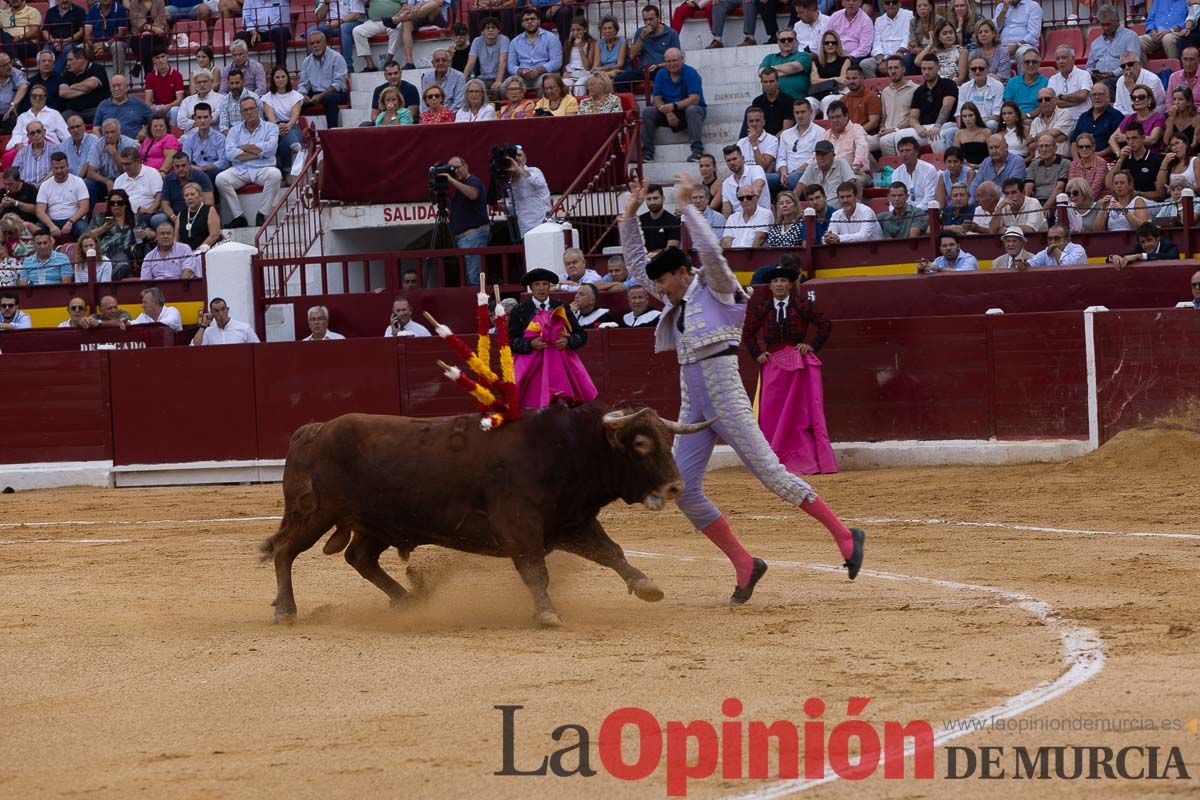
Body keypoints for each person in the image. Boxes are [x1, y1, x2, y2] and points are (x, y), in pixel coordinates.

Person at [620, 176, 865, 604]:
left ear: (683, 273)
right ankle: (744, 563)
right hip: (694, 406)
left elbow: (712, 253)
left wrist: (688, 209)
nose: (658, 290)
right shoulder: (676, 300)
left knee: (772, 475)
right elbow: (639, 266)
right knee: (682, 489)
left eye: (664, 282)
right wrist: (629, 214)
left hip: (727, 400)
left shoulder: (716, 288)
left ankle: (845, 535)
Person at [743, 263, 835, 475]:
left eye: (783, 281)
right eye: (775, 281)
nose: (779, 284)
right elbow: (747, 333)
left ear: (790, 284)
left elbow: (825, 325)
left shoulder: (801, 305)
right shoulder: (763, 308)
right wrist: (757, 354)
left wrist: (812, 346)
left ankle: (803, 456)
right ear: (770, 286)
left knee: (800, 412)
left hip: (797, 365)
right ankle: (771, 457)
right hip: (773, 364)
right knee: (770, 411)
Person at [508, 267, 593, 408]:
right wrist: (530, 344)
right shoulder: (520, 310)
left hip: (560, 365)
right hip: (532, 367)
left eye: (545, 284)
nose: (541, 288)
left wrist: (567, 341)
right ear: (531, 288)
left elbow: (581, 335)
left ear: (549, 286)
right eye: (537, 284)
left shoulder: (561, 307)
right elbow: (510, 341)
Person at [218, 97, 281, 228]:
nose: (249, 112)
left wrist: (243, 147)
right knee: (221, 179)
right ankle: (239, 216)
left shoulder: (271, 127)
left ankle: (262, 214)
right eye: (245, 110)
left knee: (275, 175)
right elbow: (230, 154)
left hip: (263, 168)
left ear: (257, 109)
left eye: (251, 108)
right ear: (241, 113)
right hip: (241, 170)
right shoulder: (234, 130)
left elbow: (271, 149)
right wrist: (260, 152)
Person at [879, 55, 957, 155]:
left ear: (938, 68)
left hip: (946, 125)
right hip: (925, 127)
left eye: (930, 68)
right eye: (924, 69)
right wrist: (918, 127)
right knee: (900, 136)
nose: (926, 72)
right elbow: (913, 116)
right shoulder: (919, 91)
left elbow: (946, 107)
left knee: (936, 136)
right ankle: (906, 164)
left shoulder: (948, 84)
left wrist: (937, 126)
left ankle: (941, 164)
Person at [641, 48, 706, 164]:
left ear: (682, 59)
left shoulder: (691, 73)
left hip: (688, 111)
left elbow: (694, 99)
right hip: (669, 111)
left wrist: (674, 106)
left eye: (675, 60)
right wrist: (668, 112)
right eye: (668, 61)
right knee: (648, 112)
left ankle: (697, 150)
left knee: (692, 110)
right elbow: (656, 99)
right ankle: (647, 152)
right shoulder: (661, 74)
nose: (672, 64)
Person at [939, 57, 1003, 152]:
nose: (977, 71)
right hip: (967, 123)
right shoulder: (964, 87)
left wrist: (976, 124)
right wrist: (966, 127)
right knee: (948, 132)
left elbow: (997, 115)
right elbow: (959, 114)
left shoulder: (997, 86)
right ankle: (953, 158)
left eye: (981, 68)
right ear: (970, 71)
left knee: (992, 124)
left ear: (988, 69)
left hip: (985, 123)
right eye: (973, 69)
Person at [446, 155, 488, 286]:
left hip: (473, 234)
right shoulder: (459, 188)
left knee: (474, 275)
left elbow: (473, 194)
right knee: (469, 274)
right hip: (463, 237)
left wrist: (451, 180)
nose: (455, 172)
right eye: (452, 170)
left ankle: (479, 297)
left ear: (466, 166)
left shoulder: (473, 181)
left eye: (457, 168)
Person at [299, 30, 349, 130]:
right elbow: (303, 83)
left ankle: (332, 131)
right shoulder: (307, 61)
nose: (315, 45)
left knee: (330, 99)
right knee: (296, 101)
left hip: (334, 93)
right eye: (312, 43)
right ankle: (298, 132)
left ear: (325, 42)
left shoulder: (336, 57)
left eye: (318, 42)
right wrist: (303, 95)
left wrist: (321, 95)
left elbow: (339, 83)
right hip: (314, 93)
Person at [263, 65, 306, 175]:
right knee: (286, 136)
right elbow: (271, 118)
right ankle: (297, 147)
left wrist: (288, 126)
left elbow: (295, 115)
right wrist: (278, 127)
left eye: (283, 76)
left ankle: (286, 171)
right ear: (273, 79)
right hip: (274, 127)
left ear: (287, 78)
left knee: (284, 144)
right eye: (277, 77)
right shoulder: (267, 97)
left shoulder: (296, 95)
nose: (280, 79)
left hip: (292, 125)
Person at [1087, 5, 1139, 95]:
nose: (1105, 28)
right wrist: (1091, 73)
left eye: (1108, 24)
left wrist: (1113, 73)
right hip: (1097, 79)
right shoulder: (1095, 43)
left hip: (1121, 78)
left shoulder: (1130, 36)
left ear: (1117, 21)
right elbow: (1089, 65)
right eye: (1103, 25)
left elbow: (1132, 63)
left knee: (1100, 87)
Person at [36, 152, 89, 238]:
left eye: (62, 167)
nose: (59, 171)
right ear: (51, 168)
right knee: (37, 228)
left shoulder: (78, 181)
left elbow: (84, 207)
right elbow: (39, 211)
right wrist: (51, 226)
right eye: (56, 168)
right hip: (51, 221)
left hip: (73, 220)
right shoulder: (45, 185)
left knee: (83, 228)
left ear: (67, 166)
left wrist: (70, 222)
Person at [89, 188, 140, 278]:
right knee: (124, 266)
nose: (116, 205)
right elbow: (85, 237)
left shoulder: (135, 219)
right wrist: (102, 229)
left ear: (125, 204)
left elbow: (150, 235)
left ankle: (102, 281)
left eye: (119, 203)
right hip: (106, 255)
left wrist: (147, 234)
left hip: (129, 255)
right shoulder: (101, 218)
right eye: (112, 203)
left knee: (124, 263)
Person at [778, 98, 826, 191]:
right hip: (785, 173)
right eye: (797, 112)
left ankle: (788, 199)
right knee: (766, 179)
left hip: (806, 172)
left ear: (810, 112)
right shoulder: (785, 134)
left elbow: (815, 158)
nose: (800, 116)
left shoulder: (820, 132)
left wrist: (796, 171)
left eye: (803, 112)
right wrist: (783, 172)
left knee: (792, 179)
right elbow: (781, 158)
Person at [507, 7, 563, 85]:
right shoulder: (514, 42)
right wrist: (522, 71)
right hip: (523, 76)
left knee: (545, 83)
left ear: (539, 21)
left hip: (544, 74)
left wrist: (539, 70)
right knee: (506, 86)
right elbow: (511, 66)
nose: (529, 21)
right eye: (526, 20)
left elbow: (557, 61)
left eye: (532, 19)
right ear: (522, 24)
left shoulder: (551, 38)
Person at [505, 144, 550, 238]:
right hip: (525, 229)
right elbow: (517, 208)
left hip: (541, 226)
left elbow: (539, 183)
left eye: (519, 155)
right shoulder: (511, 181)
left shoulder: (534, 171)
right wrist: (501, 207)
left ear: (525, 159)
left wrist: (519, 170)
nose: (516, 158)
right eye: (514, 156)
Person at [59, 45, 111, 126]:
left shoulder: (97, 68)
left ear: (81, 59)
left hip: (95, 110)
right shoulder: (67, 73)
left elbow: (91, 84)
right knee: (62, 118)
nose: (68, 63)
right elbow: (63, 93)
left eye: (70, 60)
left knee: (105, 116)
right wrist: (86, 90)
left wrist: (72, 87)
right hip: (74, 111)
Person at [1107, 122, 1164, 197]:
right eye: (1128, 139)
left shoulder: (1155, 160)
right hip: (1125, 200)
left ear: (1143, 138)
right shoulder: (1124, 158)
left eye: (1134, 138)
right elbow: (1108, 184)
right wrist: (1120, 159)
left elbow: (1161, 194)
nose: (1131, 142)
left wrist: (1138, 194)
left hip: (1147, 201)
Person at [794, 139, 855, 208]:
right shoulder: (811, 167)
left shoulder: (841, 164)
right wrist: (793, 205)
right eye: (818, 154)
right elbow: (800, 187)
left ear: (833, 155)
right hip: (817, 209)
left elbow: (852, 184)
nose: (820, 157)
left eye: (824, 154)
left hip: (837, 210)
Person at [113, 147, 162, 229]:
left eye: (127, 164)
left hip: (145, 215)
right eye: (122, 164)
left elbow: (159, 197)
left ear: (138, 161)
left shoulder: (152, 173)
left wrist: (150, 210)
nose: (124, 168)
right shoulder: (119, 180)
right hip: (125, 215)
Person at [875, 55, 916, 153]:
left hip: (903, 131)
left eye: (896, 68)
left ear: (903, 69)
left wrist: (895, 129)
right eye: (890, 68)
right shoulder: (885, 91)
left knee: (885, 141)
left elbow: (915, 117)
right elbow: (884, 117)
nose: (893, 71)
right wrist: (882, 128)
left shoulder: (915, 89)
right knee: (863, 142)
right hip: (886, 132)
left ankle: (893, 163)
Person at [823, 100, 870, 184]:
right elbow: (816, 157)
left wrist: (854, 168)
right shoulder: (826, 135)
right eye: (832, 118)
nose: (835, 120)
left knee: (850, 182)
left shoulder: (857, 129)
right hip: (830, 175)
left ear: (846, 116)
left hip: (855, 173)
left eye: (838, 116)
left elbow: (862, 147)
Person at [180, 103, 228, 186]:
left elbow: (223, 162)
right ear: (194, 119)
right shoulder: (189, 140)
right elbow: (185, 161)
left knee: (211, 174)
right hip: (194, 171)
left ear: (211, 118)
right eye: (199, 117)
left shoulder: (220, 138)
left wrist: (203, 168)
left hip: (213, 172)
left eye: (205, 117)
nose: (202, 121)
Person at [969, 132, 1025, 202]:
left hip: (1008, 201)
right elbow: (975, 186)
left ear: (1006, 147)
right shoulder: (986, 162)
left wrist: (992, 200)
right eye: (991, 148)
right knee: (970, 202)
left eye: (997, 147)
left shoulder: (1017, 161)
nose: (994, 151)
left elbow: (1012, 189)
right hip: (985, 201)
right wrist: (981, 199)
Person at [1113, 87, 1167, 155]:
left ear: (1149, 100)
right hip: (1130, 156)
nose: (1137, 100)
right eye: (1134, 98)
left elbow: (1152, 140)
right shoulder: (1130, 118)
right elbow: (1112, 139)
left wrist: (1126, 138)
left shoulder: (1158, 117)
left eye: (1141, 97)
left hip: (1151, 156)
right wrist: (1118, 153)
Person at [864, 0, 912, 77]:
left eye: (894, 2)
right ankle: (877, 84)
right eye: (887, 2)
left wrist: (900, 51)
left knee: (906, 60)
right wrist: (881, 60)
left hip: (902, 53)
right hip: (884, 56)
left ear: (900, 3)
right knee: (865, 64)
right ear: (883, 5)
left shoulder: (909, 15)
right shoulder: (879, 20)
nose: (891, 5)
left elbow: (908, 36)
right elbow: (876, 43)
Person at [1048, 45, 1093, 126]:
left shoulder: (1084, 74)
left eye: (1064, 58)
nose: (1060, 61)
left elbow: (1083, 96)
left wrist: (1061, 97)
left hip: (1082, 120)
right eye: (1058, 59)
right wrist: (1077, 101)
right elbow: (1053, 103)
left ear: (1072, 59)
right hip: (1061, 122)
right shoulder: (1053, 79)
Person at [11, 87, 68, 151]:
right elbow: (16, 134)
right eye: (34, 96)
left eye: (41, 96)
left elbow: (66, 135)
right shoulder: (22, 117)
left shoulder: (54, 114)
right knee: (7, 156)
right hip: (25, 148)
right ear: (30, 97)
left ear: (45, 98)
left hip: (50, 148)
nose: (37, 99)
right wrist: (18, 144)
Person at [236, 0, 290, 68]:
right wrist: (253, 31)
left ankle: (280, 67)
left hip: (276, 31)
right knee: (239, 36)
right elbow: (246, 18)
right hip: (257, 32)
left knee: (282, 32)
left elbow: (285, 23)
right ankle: (243, 68)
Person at [465, 17, 510, 96]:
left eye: (493, 27)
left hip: (502, 78)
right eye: (487, 28)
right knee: (468, 87)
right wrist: (462, 79)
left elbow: (503, 60)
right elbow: (471, 62)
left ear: (498, 30)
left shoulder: (504, 39)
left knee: (501, 88)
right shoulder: (477, 41)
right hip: (483, 78)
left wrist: (498, 81)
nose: (490, 30)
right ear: (482, 31)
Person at [760, 33, 810, 104]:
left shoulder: (804, 55)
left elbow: (794, 67)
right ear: (778, 42)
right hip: (773, 102)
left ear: (796, 41)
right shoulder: (770, 57)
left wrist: (771, 69)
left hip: (798, 102)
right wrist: (788, 71)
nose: (786, 42)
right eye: (783, 40)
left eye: (790, 39)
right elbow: (761, 72)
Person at [1026, 133, 1070, 215]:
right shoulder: (1034, 164)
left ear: (1055, 148)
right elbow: (1028, 188)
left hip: (1055, 202)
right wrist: (1024, 207)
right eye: (1041, 146)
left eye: (1047, 146)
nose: (1044, 149)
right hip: (1036, 202)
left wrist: (1046, 206)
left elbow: (1059, 188)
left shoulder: (1064, 163)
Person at [738, 107, 780, 191]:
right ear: (747, 123)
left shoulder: (772, 140)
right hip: (744, 177)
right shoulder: (741, 143)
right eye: (751, 121)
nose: (754, 124)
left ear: (763, 122)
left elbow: (762, 166)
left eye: (757, 121)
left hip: (763, 177)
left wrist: (754, 144)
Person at [42, 0, 87, 76]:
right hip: (53, 42)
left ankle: (54, 75)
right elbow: (45, 31)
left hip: (71, 41)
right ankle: (43, 75)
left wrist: (65, 41)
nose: (64, 1)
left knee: (67, 50)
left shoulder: (79, 11)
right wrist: (53, 41)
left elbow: (82, 31)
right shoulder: (50, 12)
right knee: (46, 51)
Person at [720, 144, 768, 214]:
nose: (732, 162)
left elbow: (757, 190)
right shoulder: (726, 184)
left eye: (734, 159)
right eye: (728, 160)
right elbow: (726, 210)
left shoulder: (756, 170)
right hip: (738, 219)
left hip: (760, 215)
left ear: (743, 158)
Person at [891, 135, 938, 208]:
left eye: (907, 150)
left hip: (923, 211)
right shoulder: (896, 173)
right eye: (901, 151)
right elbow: (893, 197)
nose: (904, 154)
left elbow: (929, 198)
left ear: (916, 152)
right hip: (902, 211)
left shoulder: (929, 169)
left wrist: (913, 212)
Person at [1028, 87, 1074, 160]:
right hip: (1039, 160)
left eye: (1047, 99)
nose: (1043, 102)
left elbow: (1054, 133)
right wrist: (1055, 138)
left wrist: (1035, 137)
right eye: (1040, 100)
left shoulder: (1064, 114)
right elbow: (1031, 146)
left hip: (1060, 159)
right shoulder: (1035, 121)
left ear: (1055, 100)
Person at [1115, 51, 1167, 116]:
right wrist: (1127, 116)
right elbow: (1118, 106)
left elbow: (1149, 105)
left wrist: (1132, 89)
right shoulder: (1120, 81)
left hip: (1151, 116)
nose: (1127, 68)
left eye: (1130, 64)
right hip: (1127, 117)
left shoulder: (1153, 80)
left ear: (1139, 64)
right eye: (1123, 66)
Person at [1108, 221, 1180, 268]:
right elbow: (1127, 255)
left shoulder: (1169, 245)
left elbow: (1171, 256)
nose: (1146, 245)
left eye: (1149, 240)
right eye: (1143, 242)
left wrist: (1140, 256)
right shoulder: (1139, 248)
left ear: (1158, 238)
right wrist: (1114, 257)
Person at [192, 297, 260, 345]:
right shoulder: (208, 332)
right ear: (212, 313)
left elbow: (257, 349)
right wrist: (203, 325)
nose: (221, 314)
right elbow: (195, 346)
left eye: (223, 309)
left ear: (227, 310)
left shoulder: (245, 328)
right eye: (216, 311)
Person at [175, 181, 220, 251]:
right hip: (186, 253)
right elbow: (176, 239)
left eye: (192, 194)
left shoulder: (209, 210)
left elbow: (214, 235)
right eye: (186, 195)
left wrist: (197, 251)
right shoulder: (181, 214)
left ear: (200, 196)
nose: (189, 198)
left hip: (206, 251)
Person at [919, 18, 967, 84]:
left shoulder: (961, 51)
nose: (949, 36)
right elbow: (918, 61)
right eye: (945, 34)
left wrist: (945, 87)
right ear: (938, 37)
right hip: (934, 86)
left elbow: (961, 78)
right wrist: (930, 45)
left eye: (951, 32)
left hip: (953, 86)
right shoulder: (934, 52)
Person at [216, 68, 262, 136]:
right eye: (232, 83)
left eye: (237, 83)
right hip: (232, 136)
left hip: (253, 134)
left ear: (243, 82)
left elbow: (260, 122)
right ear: (228, 83)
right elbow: (223, 127)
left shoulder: (254, 97)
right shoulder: (224, 101)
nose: (234, 86)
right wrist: (233, 137)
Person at [1017, 224, 1088, 268]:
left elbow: (1067, 266)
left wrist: (1054, 249)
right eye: (1050, 239)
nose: (1052, 242)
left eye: (1057, 238)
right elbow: (1032, 263)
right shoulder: (1046, 251)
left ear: (1067, 239)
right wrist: (1023, 264)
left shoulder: (1078, 249)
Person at [638, 184, 680, 256]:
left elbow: (672, 249)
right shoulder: (640, 220)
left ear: (663, 198)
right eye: (649, 199)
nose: (652, 202)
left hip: (664, 260)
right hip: (643, 260)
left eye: (655, 198)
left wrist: (656, 254)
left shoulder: (673, 221)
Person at [1003, 49, 1047, 117]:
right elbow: (1008, 105)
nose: (1030, 64)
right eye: (1027, 62)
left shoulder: (1046, 83)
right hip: (1015, 118)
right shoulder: (1012, 82)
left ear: (1039, 63)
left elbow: (1044, 106)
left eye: (1034, 62)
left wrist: (1027, 115)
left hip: (1037, 118)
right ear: (1022, 64)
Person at [420, 48, 466, 113]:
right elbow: (424, 103)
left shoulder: (459, 77)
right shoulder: (426, 78)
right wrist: (431, 116)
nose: (441, 63)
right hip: (431, 116)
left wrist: (443, 115)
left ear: (449, 62)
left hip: (452, 116)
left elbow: (459, 104)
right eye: (437, 60)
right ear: (433, 63)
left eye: (444, 60)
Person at [561, 18, 597, 97]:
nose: (575, 32)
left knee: (579, 85)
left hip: (584, 73)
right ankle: (569, 104)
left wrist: (580, 47)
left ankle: (579, 103)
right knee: (565, 83)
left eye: (578, 30)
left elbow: (587, 67)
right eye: (573, 30)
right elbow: (566, 62)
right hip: (571, 73)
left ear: (585, 29)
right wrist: (565, 72)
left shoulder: (591, 43)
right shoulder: (568, 43)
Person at [968, 17, 1009, 81]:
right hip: (978, 85)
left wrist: (983, 76)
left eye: (986, 31)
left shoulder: (1003, 51)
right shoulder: (973, 54)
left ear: (993, 34)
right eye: (980, 32)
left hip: (999, 85)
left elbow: (1002, 77)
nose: (983, 34)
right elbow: (972, 76)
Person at [2, 0, 42, 64]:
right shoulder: (3, 14)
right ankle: (16, 61)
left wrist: (20, 37)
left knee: (11, 46)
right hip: (9, 42)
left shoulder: (32, 11)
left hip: (27, 43)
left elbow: (35, 31)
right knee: (4, 35)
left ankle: (14, 61)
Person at [1167, 48, 1200, 113]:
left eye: (1192, 59)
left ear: (1199, 59)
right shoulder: (1174, 77)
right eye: (1185, 59)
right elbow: (1169, 102)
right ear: (1181, 59)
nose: (1188, 63)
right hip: (1179, 114)